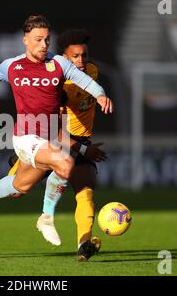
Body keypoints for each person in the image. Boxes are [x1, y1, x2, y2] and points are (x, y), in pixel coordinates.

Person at [0, 15, 113, 247]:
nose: (44, 45)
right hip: (25, 137)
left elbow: (87, 82)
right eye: (38, 40)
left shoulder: (59, 64)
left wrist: (101, 94)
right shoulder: (12, 66)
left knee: (20, 186)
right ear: (25, 40)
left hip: (50, 137)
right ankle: (46, 218)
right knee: (65, 163)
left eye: (47, 40)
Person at [8, 29, 105, 261]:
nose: (81, 61)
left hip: (80, 143)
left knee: (85, 192)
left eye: (84, 55)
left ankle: (84, 245)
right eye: (75, 57)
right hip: (53, 142)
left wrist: (82, 146)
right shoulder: (56, 84)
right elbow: (53, 128)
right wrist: (82, 149)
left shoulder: (92, 71)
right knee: (16, 191)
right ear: (63, 58)